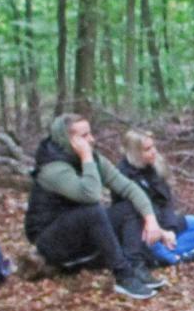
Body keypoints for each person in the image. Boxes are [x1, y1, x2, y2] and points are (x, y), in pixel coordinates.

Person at [22, 114, 166, 300]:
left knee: (128, 207)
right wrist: (86, 157)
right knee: (92, 210)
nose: (92, 139)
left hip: (81, 232)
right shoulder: (53, 168)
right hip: (51, 241)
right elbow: (90, 195)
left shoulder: (92, 159)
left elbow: (128, 187)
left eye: (90, 133)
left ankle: (135, 266)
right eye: (84, 136)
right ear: (68, 139)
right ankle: (124, 277)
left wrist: (151, 219)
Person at [112, 130, 194, 266]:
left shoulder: (154, 167)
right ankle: (172, 257)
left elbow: (166, 202)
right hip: (143, 229)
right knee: (150, 242)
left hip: (164, 222)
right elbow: (132, 215)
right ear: (135, 152)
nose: (154, 151)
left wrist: (170, 230)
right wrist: (161, 234)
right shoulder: (122, 175)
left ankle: (170, 254)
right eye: (147, 149)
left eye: (153, 147)